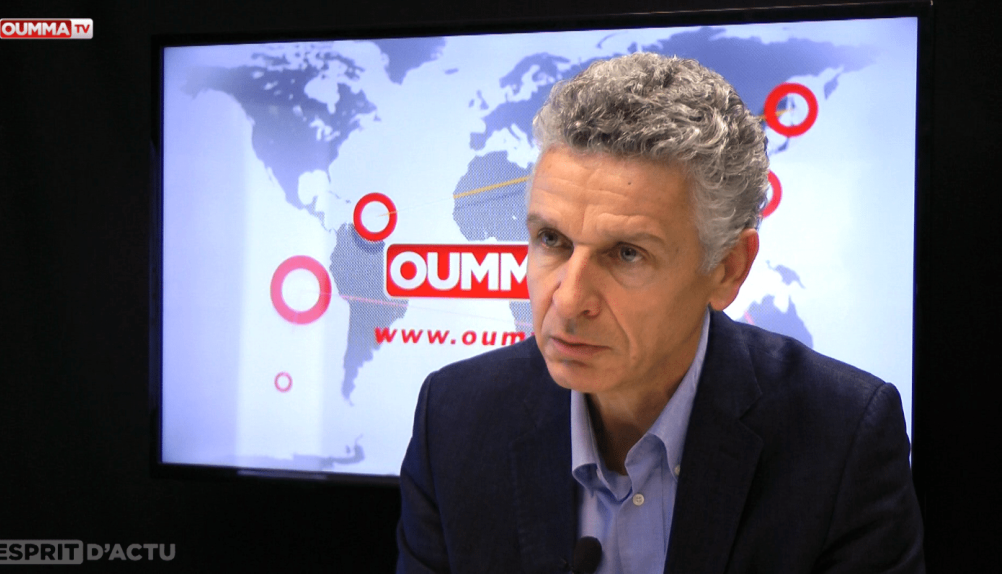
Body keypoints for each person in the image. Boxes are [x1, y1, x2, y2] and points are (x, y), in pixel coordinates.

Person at [396, 53, 924, 573]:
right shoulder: (454, 419)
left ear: (728, 269)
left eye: (627, 253)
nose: (569, 299)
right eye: (552, 240)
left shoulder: (843, 440)